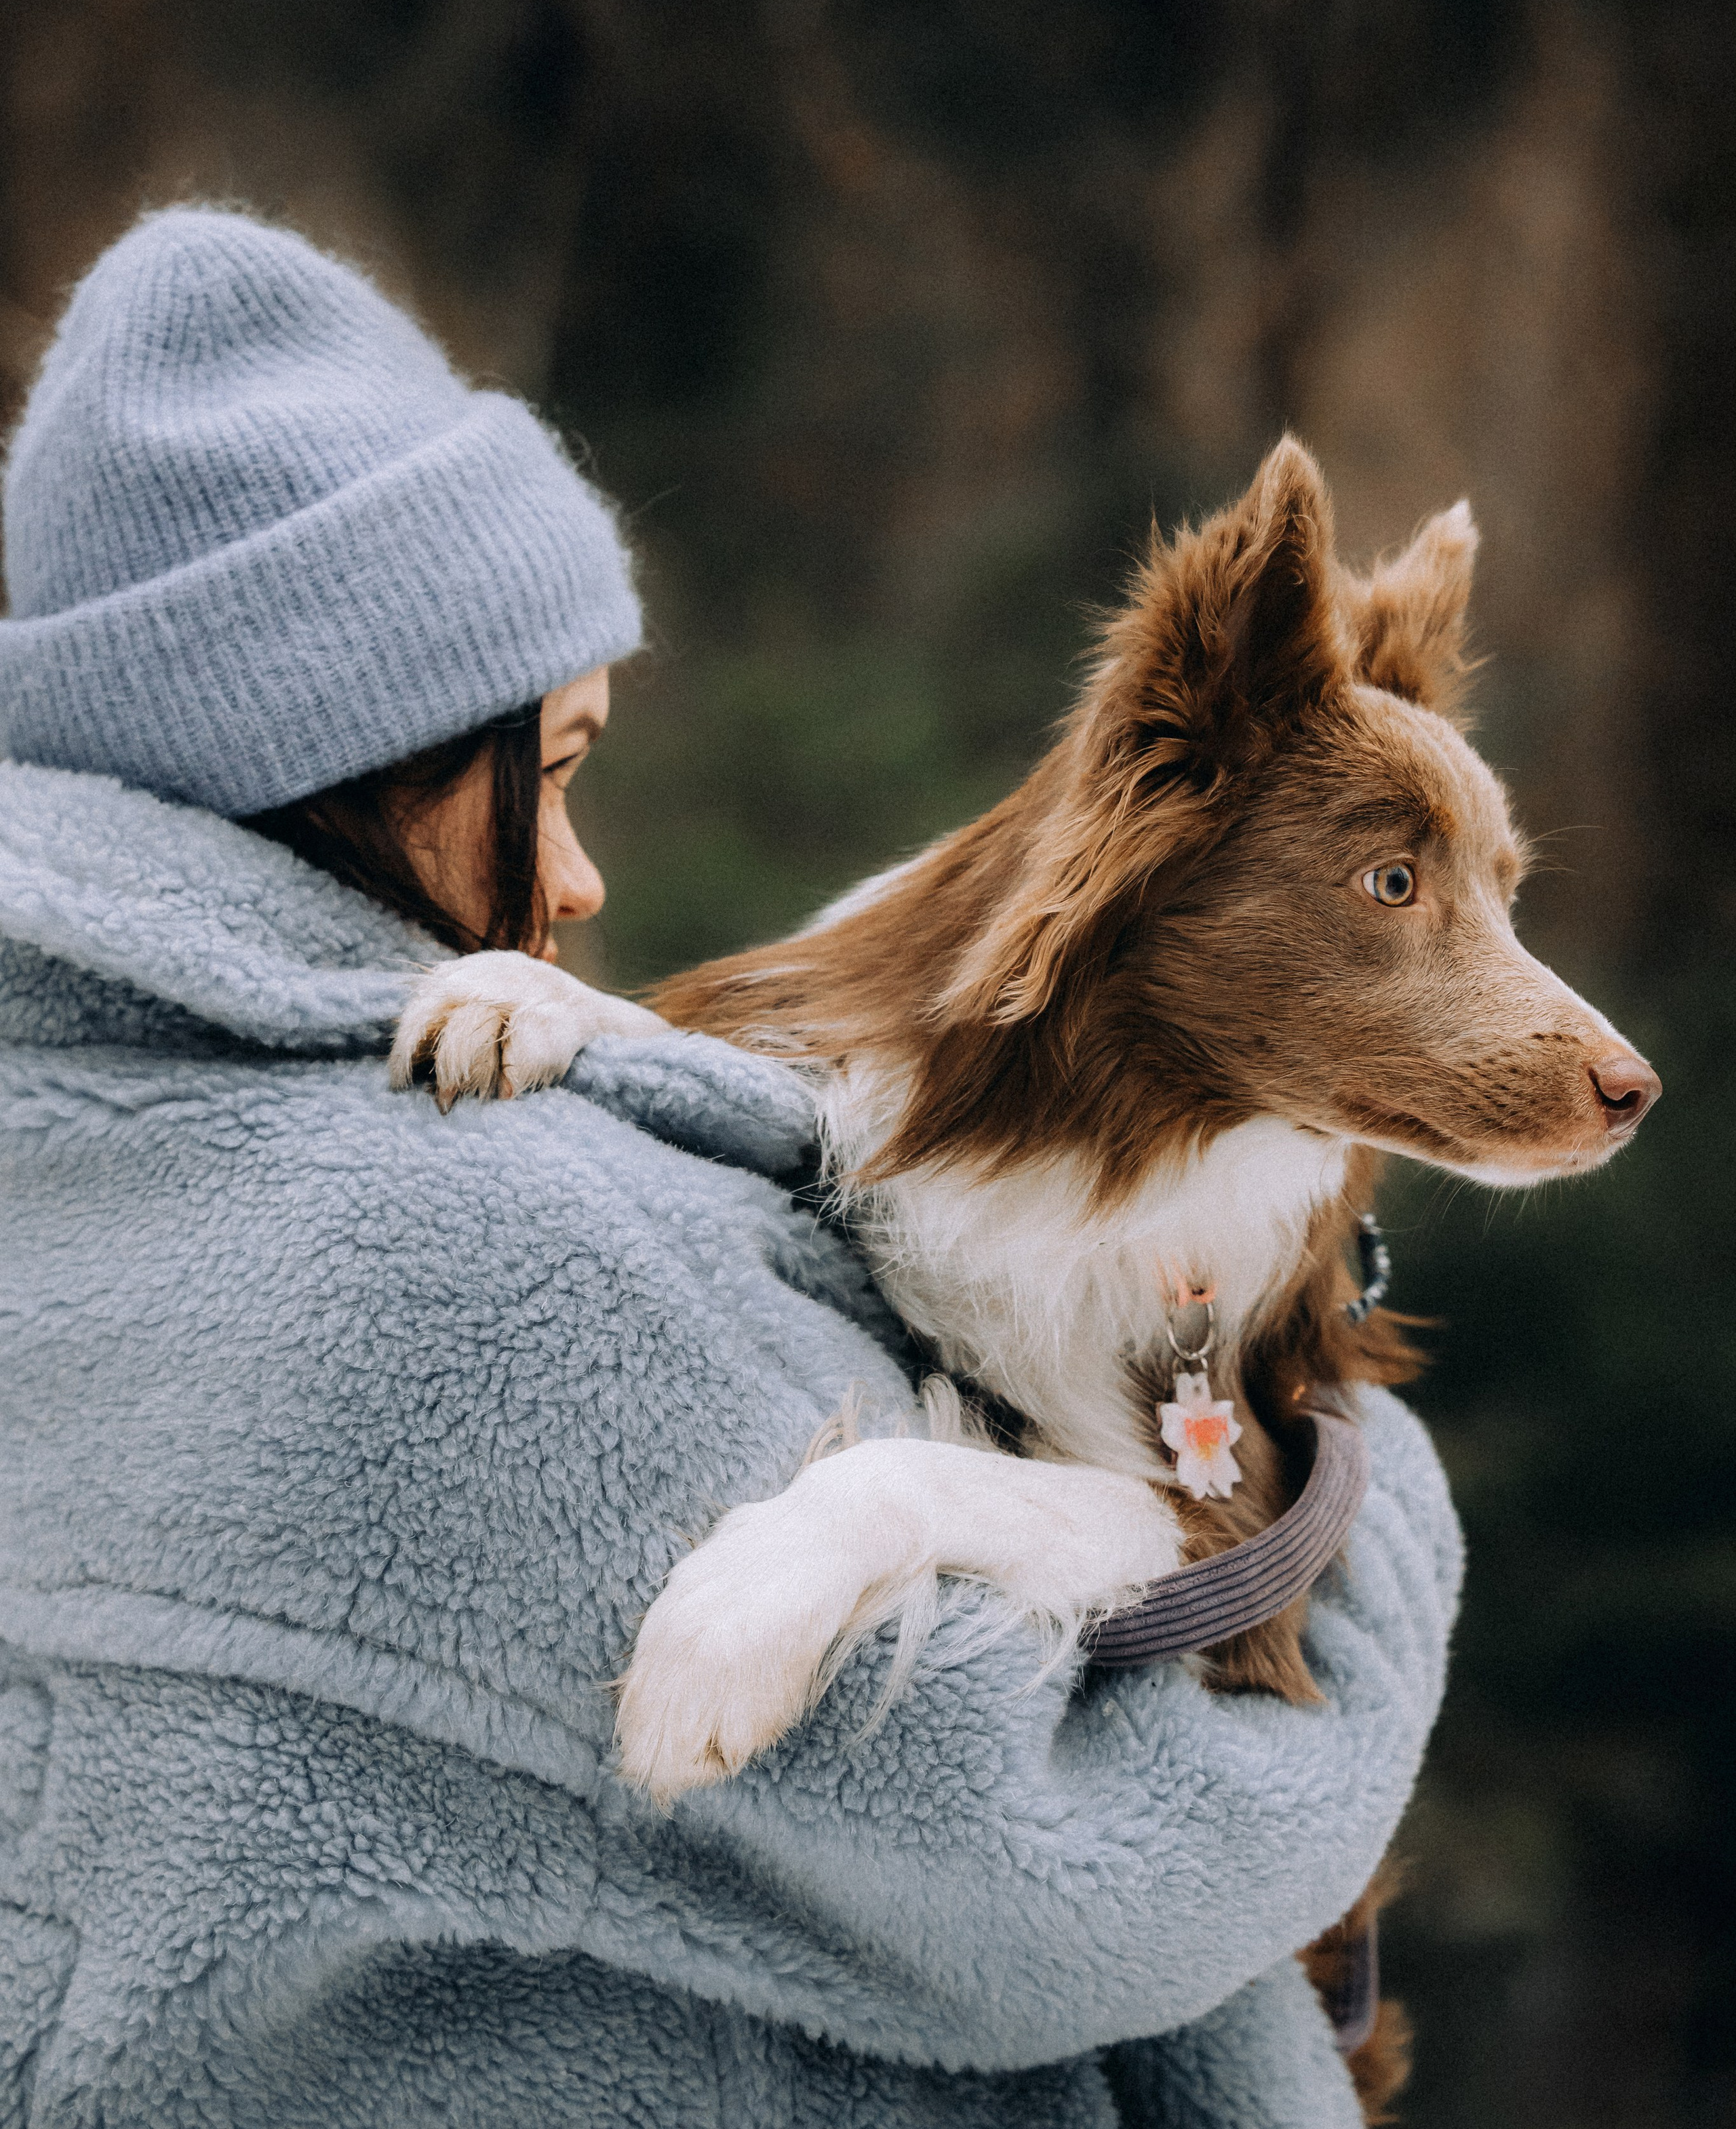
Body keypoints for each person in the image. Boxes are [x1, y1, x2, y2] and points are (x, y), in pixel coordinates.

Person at [0, 210, 1460, 2128]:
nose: (586, 878)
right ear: (360, 756)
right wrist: (1376, 1514)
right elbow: (1080, 1868)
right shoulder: (485, 1254)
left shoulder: (73, 1175)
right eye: (557, 765)